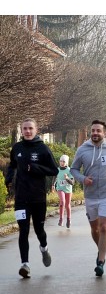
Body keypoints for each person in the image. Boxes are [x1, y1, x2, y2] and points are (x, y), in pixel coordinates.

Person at [70, 120, 106, 277]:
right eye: (93, 130)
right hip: (90, 194)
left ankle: (101, 261)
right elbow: (74, 169)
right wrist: (83, 179)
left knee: (104, 227)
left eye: (98, 131)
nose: (95, 133)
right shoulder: (82, 149)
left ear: (104, 133)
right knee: (95, 229)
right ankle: (101, 250)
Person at [5, 117, 59, 278]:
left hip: (38, 197)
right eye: (25, 128)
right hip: (21, 197)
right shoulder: (17, 148)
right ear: (21, 131)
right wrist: (8, 179)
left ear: (36, 130)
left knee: (39, 229)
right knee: (23, 230)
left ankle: (44, 248)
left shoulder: (43, 149)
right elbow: (12, 165)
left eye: (30, 128)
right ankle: (25, 265)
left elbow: (53, 170)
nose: (27, 131)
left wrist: (35, 168)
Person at [52, 154, 75, 228]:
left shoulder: (69, 170)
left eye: (63, 161)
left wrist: (67, 178)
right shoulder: (57, 170)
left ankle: (68, 219)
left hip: (68, 189)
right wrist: (53, 185)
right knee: (62, 201)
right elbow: (54, 177)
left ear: (66, 162)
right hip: (60, 188)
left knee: (67, 205)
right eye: (61, 161)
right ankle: (61, 219)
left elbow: (72, 182)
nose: (62, 163)